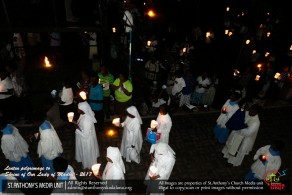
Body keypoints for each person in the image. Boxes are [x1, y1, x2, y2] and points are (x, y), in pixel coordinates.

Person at [74, 101, 100, 169]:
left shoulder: (87, 121)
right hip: (83, 136)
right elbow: (80, 123)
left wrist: (76, 128)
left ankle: (87, 163)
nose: (77, 110)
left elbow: (85, 135)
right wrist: (76, 123)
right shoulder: (83, 114)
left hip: (86, 140)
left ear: (83, 110)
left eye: (79, 109)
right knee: (84, 151)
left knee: (86, 152)